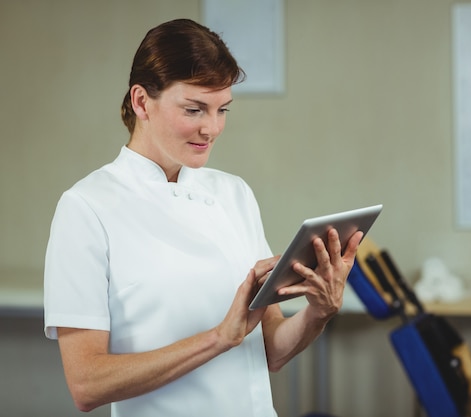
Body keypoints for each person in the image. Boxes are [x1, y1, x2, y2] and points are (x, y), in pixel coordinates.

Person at [43, 18, 363, 417]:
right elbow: (87, 384)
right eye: (194, 109)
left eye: (222, 109)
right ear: (141, 102)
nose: (211, 128)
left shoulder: (234, 194)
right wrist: (217, 338)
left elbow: (271, 350)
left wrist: (319, 311)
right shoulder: (87, 208)